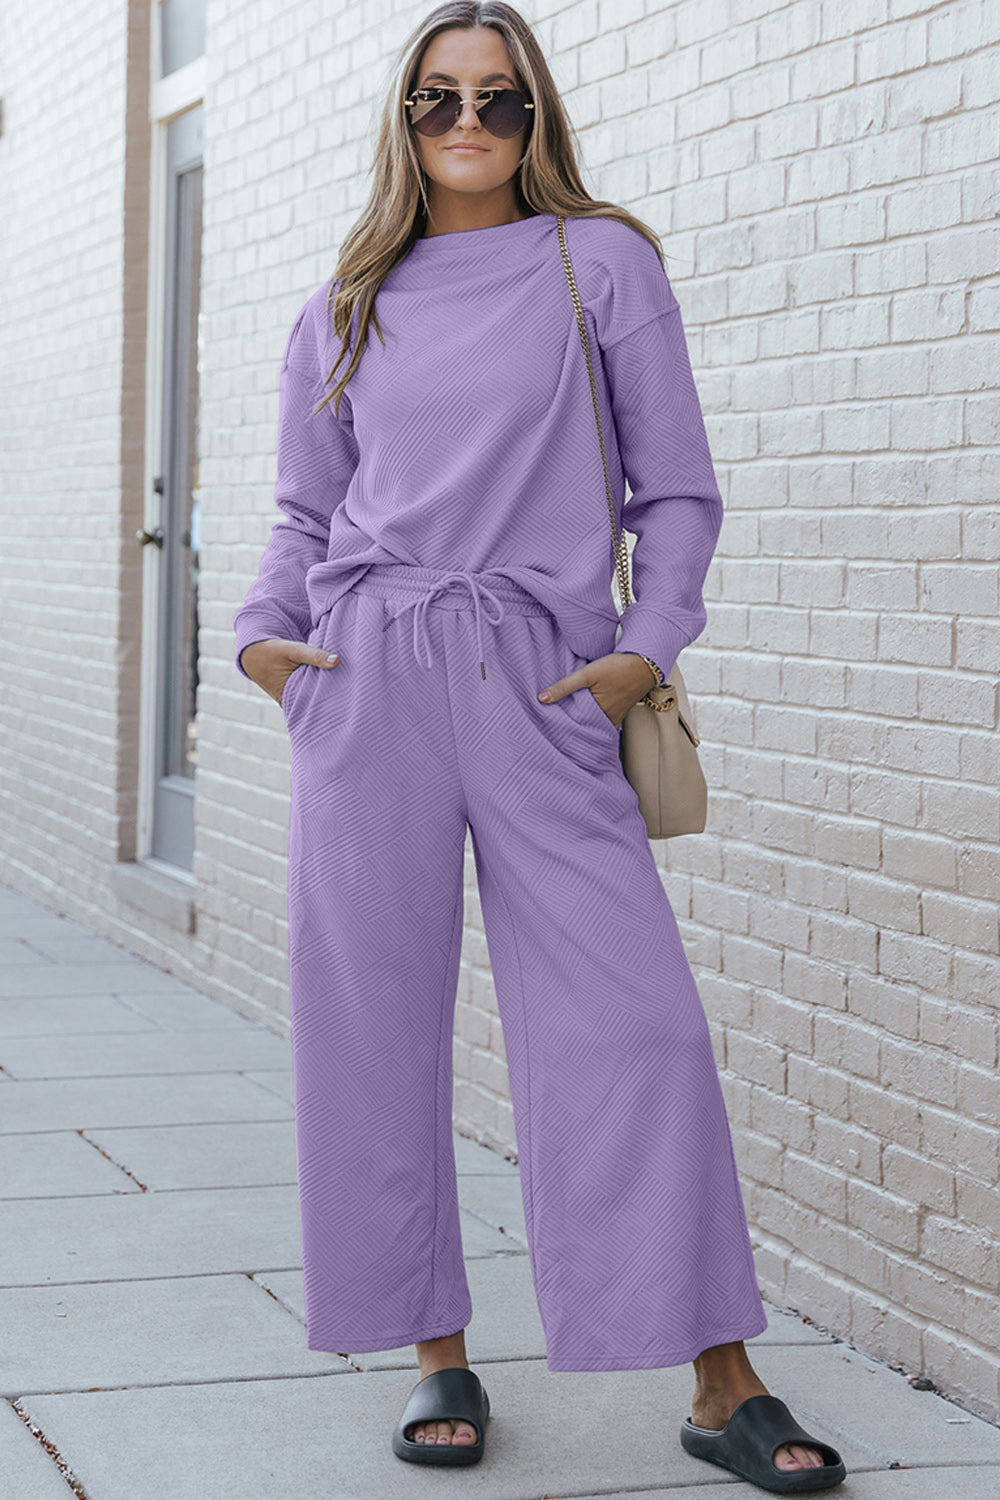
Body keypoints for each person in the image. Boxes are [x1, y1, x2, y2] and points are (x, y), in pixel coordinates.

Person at [233, 3, 847, 1493]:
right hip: (366, 673)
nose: (469, 122)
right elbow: (306, 516)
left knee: (633, 1027)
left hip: (542, 679)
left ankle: (721, 1377)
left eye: (499, 101)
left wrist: (647, 644)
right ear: (403, 114)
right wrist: (266, 640)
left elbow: (676, 488)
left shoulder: (600, 264)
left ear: (536, 118)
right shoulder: (347, 302)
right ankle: (435, 1348)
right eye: (440, 97)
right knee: (372, 1025)